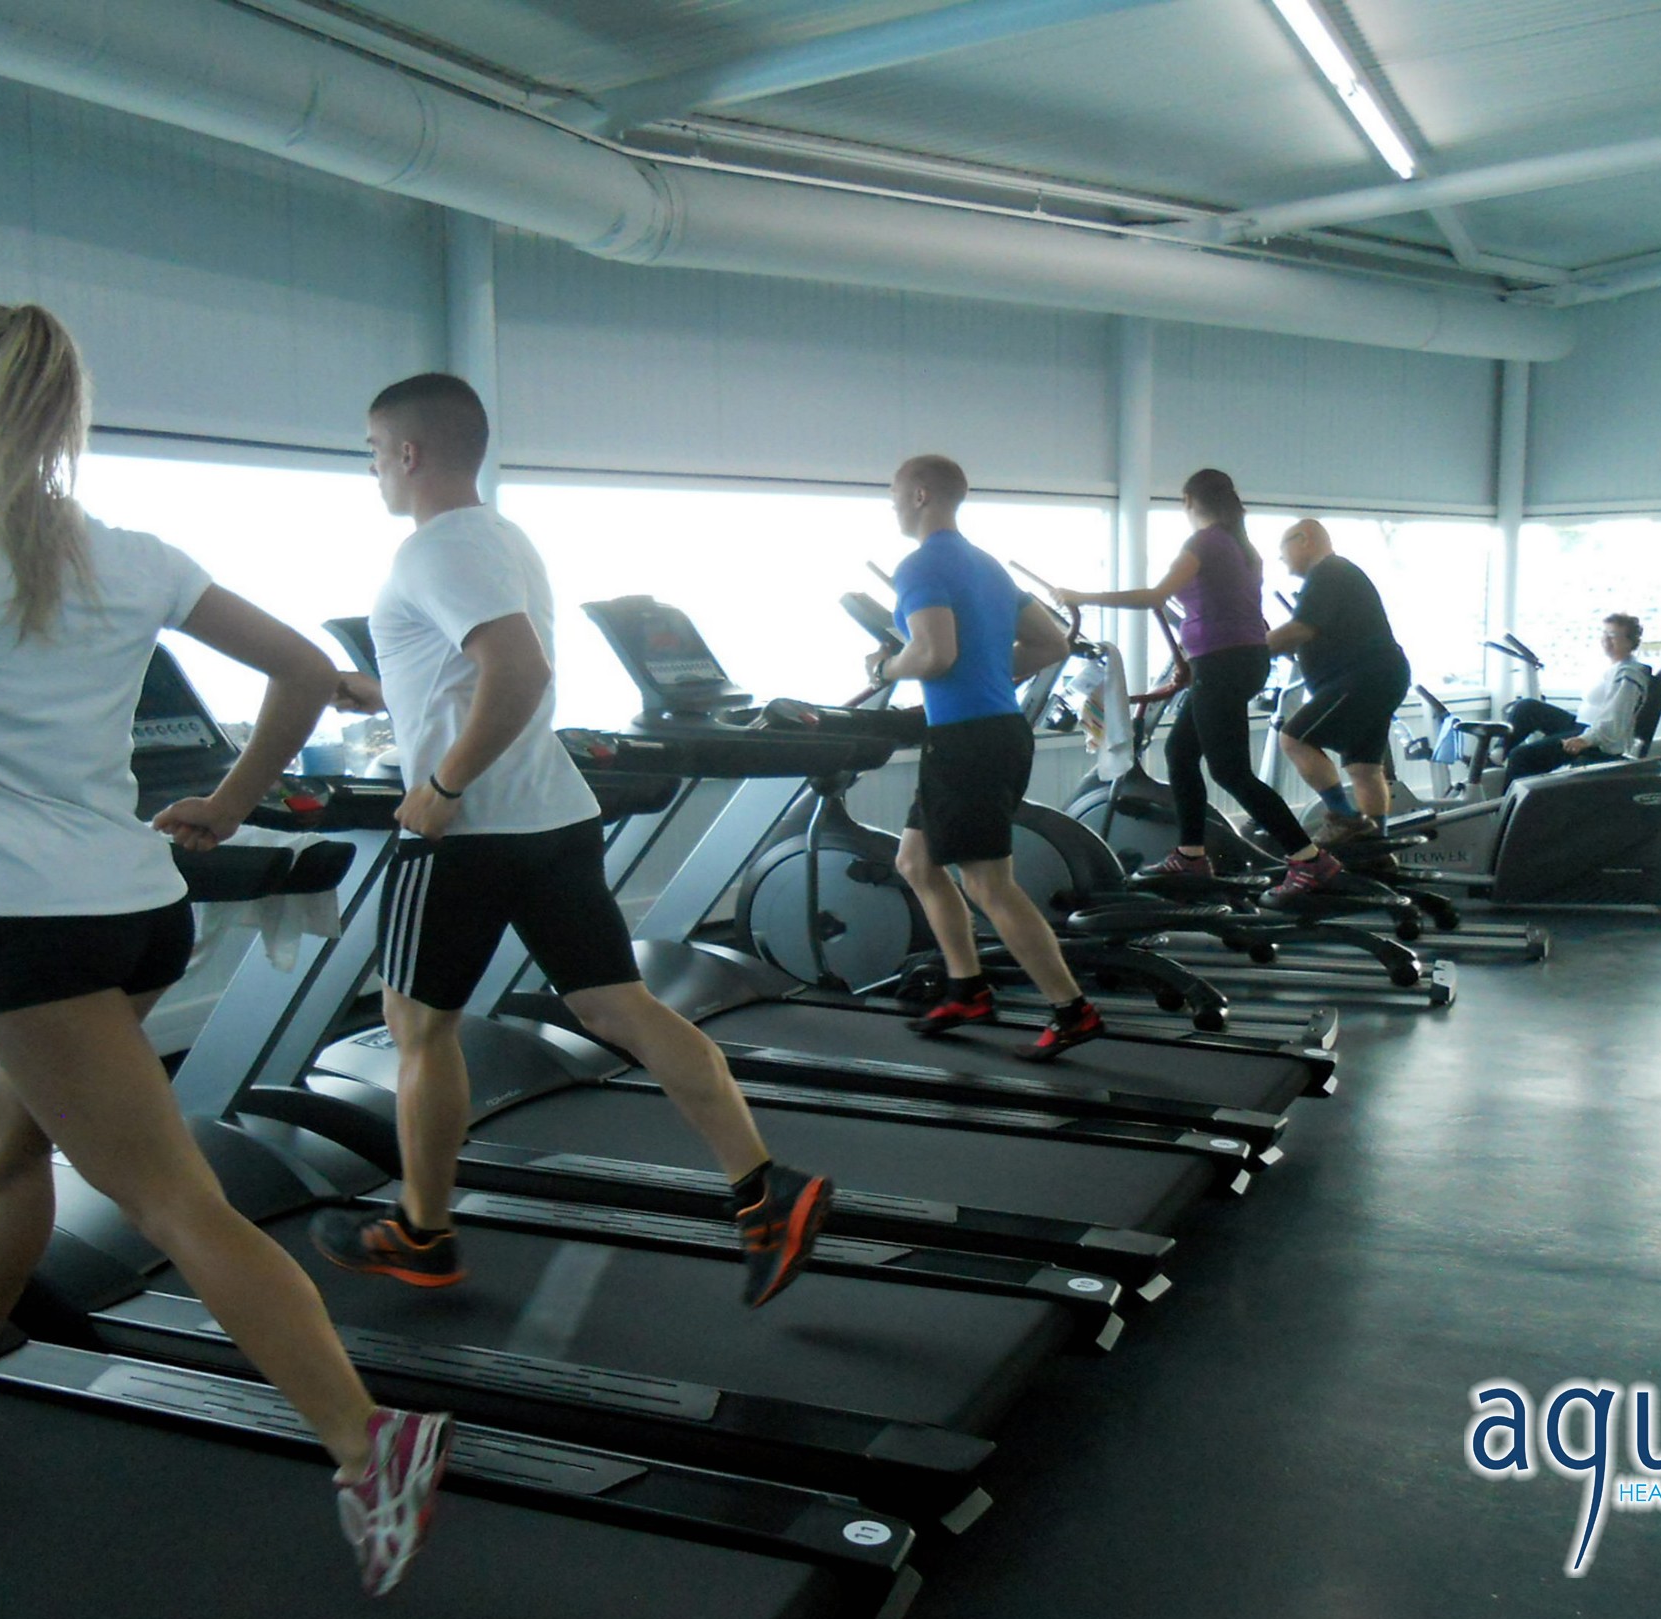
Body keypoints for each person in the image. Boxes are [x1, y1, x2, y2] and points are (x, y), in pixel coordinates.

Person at [0, 303, 449, 1597]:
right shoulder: (131, 555)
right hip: (142, 913)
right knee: (6, 1145)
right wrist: (232, 804)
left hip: (31, 932)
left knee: (173, 1199)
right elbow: (306, 670)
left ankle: (367, 1442)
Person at [314, 373, 834, 1309]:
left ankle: (422, 1232)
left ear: (409, 452)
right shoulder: (500, 537)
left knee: (417, 1028)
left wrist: (442, 786)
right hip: (552, 816)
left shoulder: (431, 550)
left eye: (373, 453)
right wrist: (377, 692)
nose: (373, 471)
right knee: (620, 1006)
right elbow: (472, 676)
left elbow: (517, 669)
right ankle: (766, 1189)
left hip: (470, 831)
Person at [874, 455, 1105, 1059]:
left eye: (894, 492)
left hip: (967, 741)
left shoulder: (919, 565)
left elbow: (934, 655)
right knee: (916, 862)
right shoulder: (986, 566)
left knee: (987, 883)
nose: (891, 503)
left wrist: (885, 666)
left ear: (920, 495)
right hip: (996, 731)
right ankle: (967, 988)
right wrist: (989, 673)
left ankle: (1073, 1010)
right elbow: (1052, 643)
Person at [1053, 470, 1345, 906]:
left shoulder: (1205, 542)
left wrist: (1081, 596)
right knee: (1181, 752)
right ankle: (1190, 855)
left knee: (1231, 772)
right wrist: (1191, 663)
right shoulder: (1242, 548)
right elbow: (1218, 610)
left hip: (1223, 664)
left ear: (1189, 501)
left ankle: (1309, 860)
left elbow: (1155, 596)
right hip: (1239, 661)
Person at [1268, 519, 1411, 846]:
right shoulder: (1335, 575)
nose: (1282, 559)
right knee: (1364, 769)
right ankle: (1375, 851)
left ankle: (1345, 818)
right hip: (1380, 676)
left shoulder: (1328, 572)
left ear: (1304, 539)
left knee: (1293, 738)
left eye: (1283, 550)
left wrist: (1249, 650)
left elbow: (1300, 629)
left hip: (1363, 677)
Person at [1500, 613, 1651, 779]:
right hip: (1581, 725)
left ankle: (1512, 797)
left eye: (1613, 636)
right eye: (1604, 633)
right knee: (1527, 707)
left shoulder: (1628, 674)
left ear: (1630, 642)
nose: (1606, 640)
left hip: (1598, 741)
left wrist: (1585, 740)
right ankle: (1496, 755)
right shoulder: (1615, 667)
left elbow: (1615, 721)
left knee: (1520, 756)